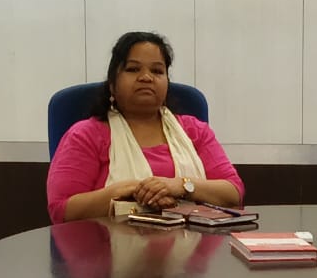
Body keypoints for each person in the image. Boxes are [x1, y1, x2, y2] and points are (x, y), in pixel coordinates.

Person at [47, 32, 245, 223]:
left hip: (193, 242)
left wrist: (181, 186)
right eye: (133, 69)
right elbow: (62, 210)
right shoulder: (85, 135)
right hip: (107, 244)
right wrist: (132, 191)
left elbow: (234, 192)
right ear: (112, 84)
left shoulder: (194, 131)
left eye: (157, 71)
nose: (146, 77)